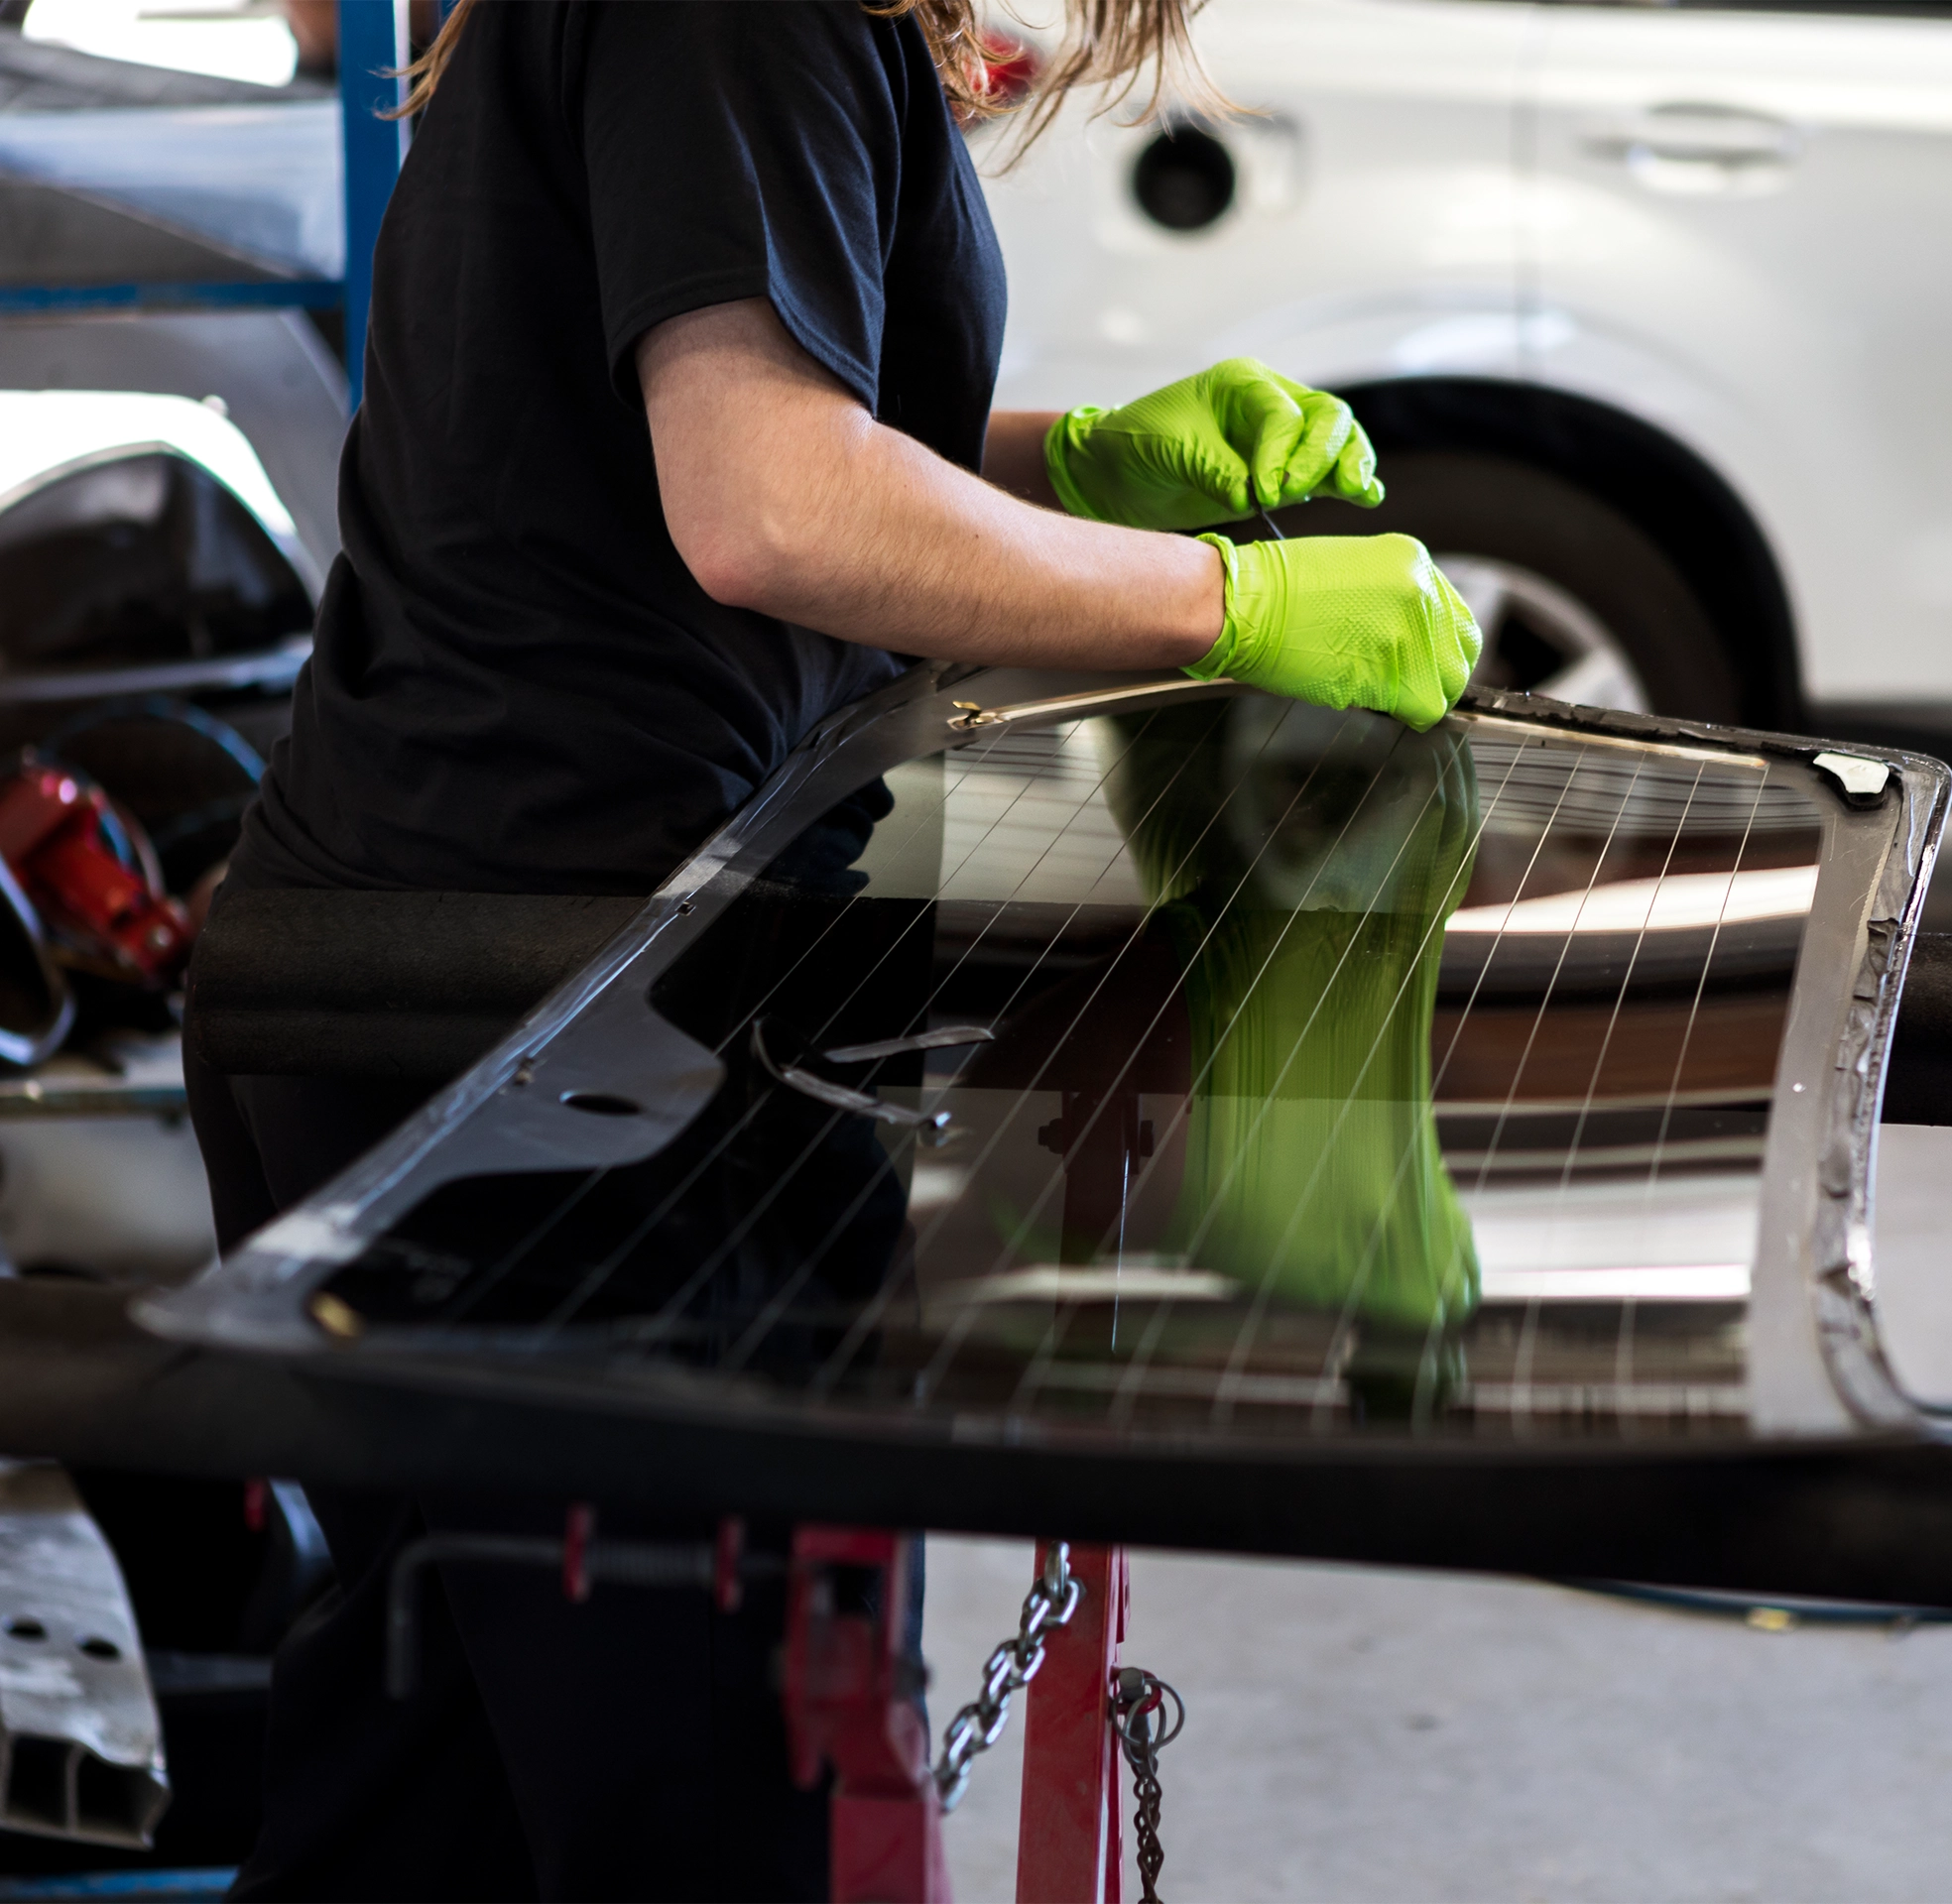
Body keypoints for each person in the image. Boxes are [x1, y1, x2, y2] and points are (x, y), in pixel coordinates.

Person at [184, 2, 1481, 1897]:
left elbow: (721, 428)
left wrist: (1083, 466)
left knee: (431, 1804)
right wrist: (1226, 601)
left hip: (436, 985)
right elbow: (770, 502)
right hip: (551, 1055)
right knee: (716, 1817)